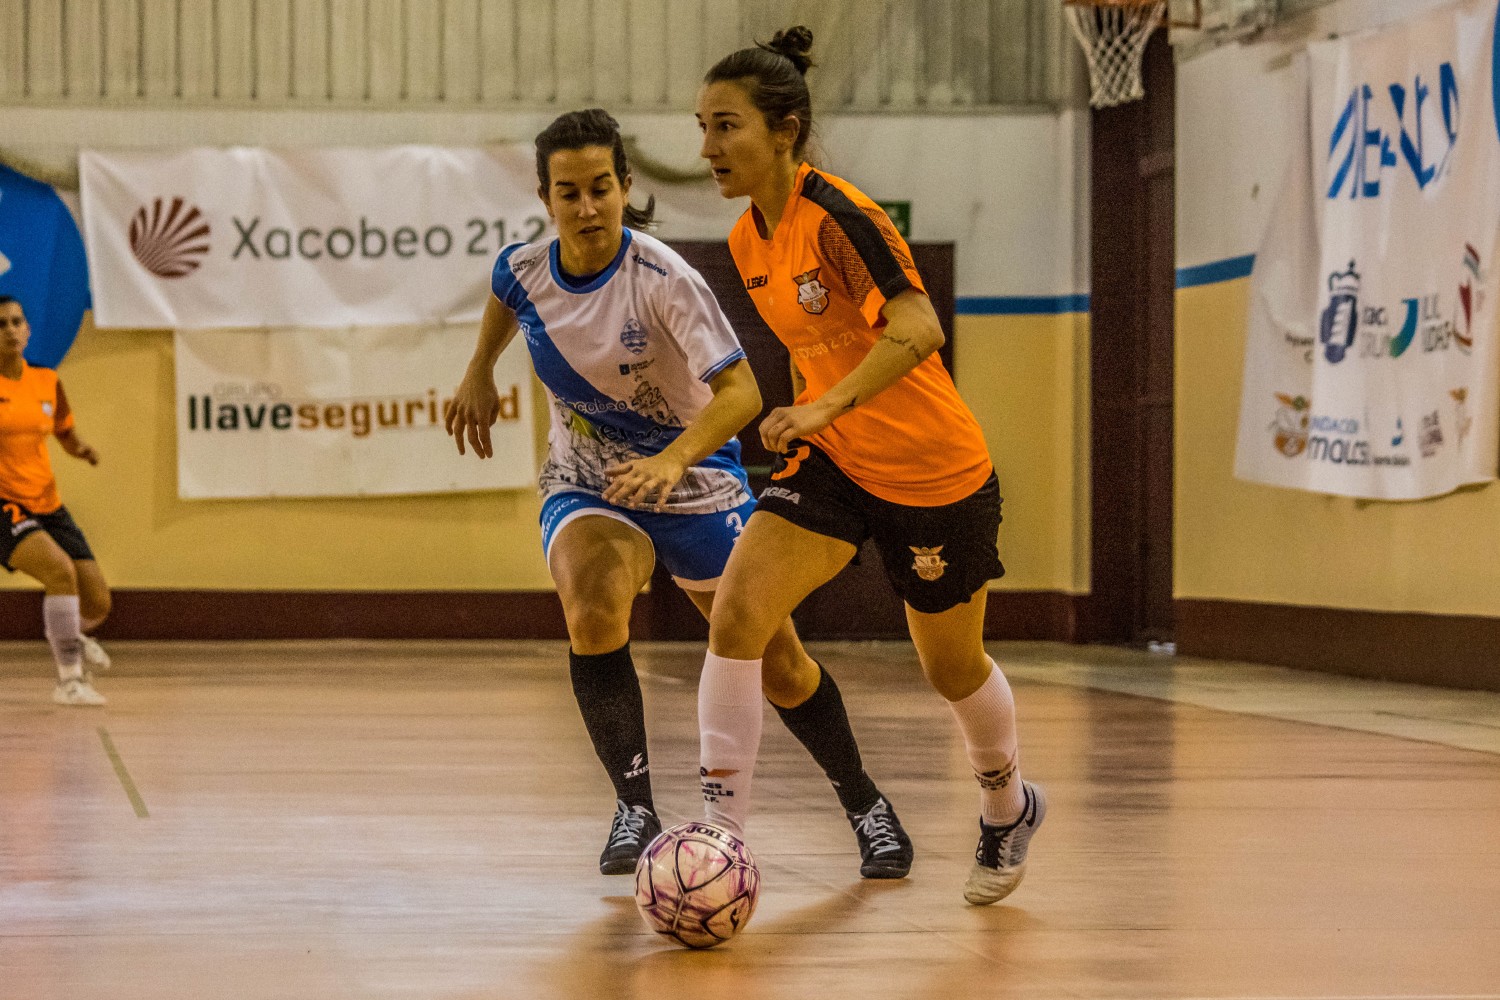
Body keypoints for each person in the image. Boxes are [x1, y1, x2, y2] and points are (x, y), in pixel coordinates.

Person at [444, 109, 912, 879]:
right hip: (590, 480)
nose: (587, 207)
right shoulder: (523, 269)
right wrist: (478, 373)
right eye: (569, 193)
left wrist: (672, 458)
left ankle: (866, 803)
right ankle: (635, 808)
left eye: (602, 188)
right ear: (545, 198)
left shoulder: (664, 278)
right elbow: (504, 293)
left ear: (627, 187)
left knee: (781, 664)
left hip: (694, 479)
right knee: (591, 604)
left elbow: (742, 394)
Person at [692, 28, 1045, 906]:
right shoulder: (746, 239)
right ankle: (718, 841)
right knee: (738, 611)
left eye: (726, 126)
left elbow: (920, 328)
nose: (706, 149)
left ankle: (1008, 805)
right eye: (701, 126)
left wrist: (820, 403)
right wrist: (822, 422)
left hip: (934, 473)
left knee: (951, 670)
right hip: (837, 462)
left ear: (785, 129)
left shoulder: (840, 214)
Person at [0, 295, 112, 706]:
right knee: (60, 573)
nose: (10, 330)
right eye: (1, 325)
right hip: (5, 504)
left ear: (27, 330)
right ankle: (69, 681)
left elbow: (61, 426)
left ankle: (69, 633)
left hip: (48, 502)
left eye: (16, 322)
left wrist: (79, 449)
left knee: (98, 601)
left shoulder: (46, 380)